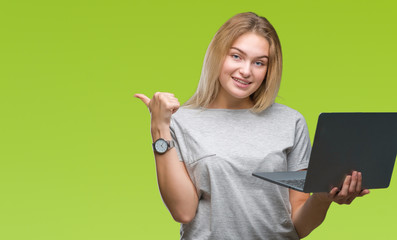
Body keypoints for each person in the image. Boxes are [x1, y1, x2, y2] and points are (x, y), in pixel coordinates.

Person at [135, 12, 369, 239]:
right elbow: (183, 211)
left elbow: (299, 225)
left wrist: (322, 198)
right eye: (236, 56)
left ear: (269, 70)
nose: (246, 71)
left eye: (259, 62)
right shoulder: (181, 121)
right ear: (218, 54)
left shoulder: (290, 122)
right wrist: (159, 128)